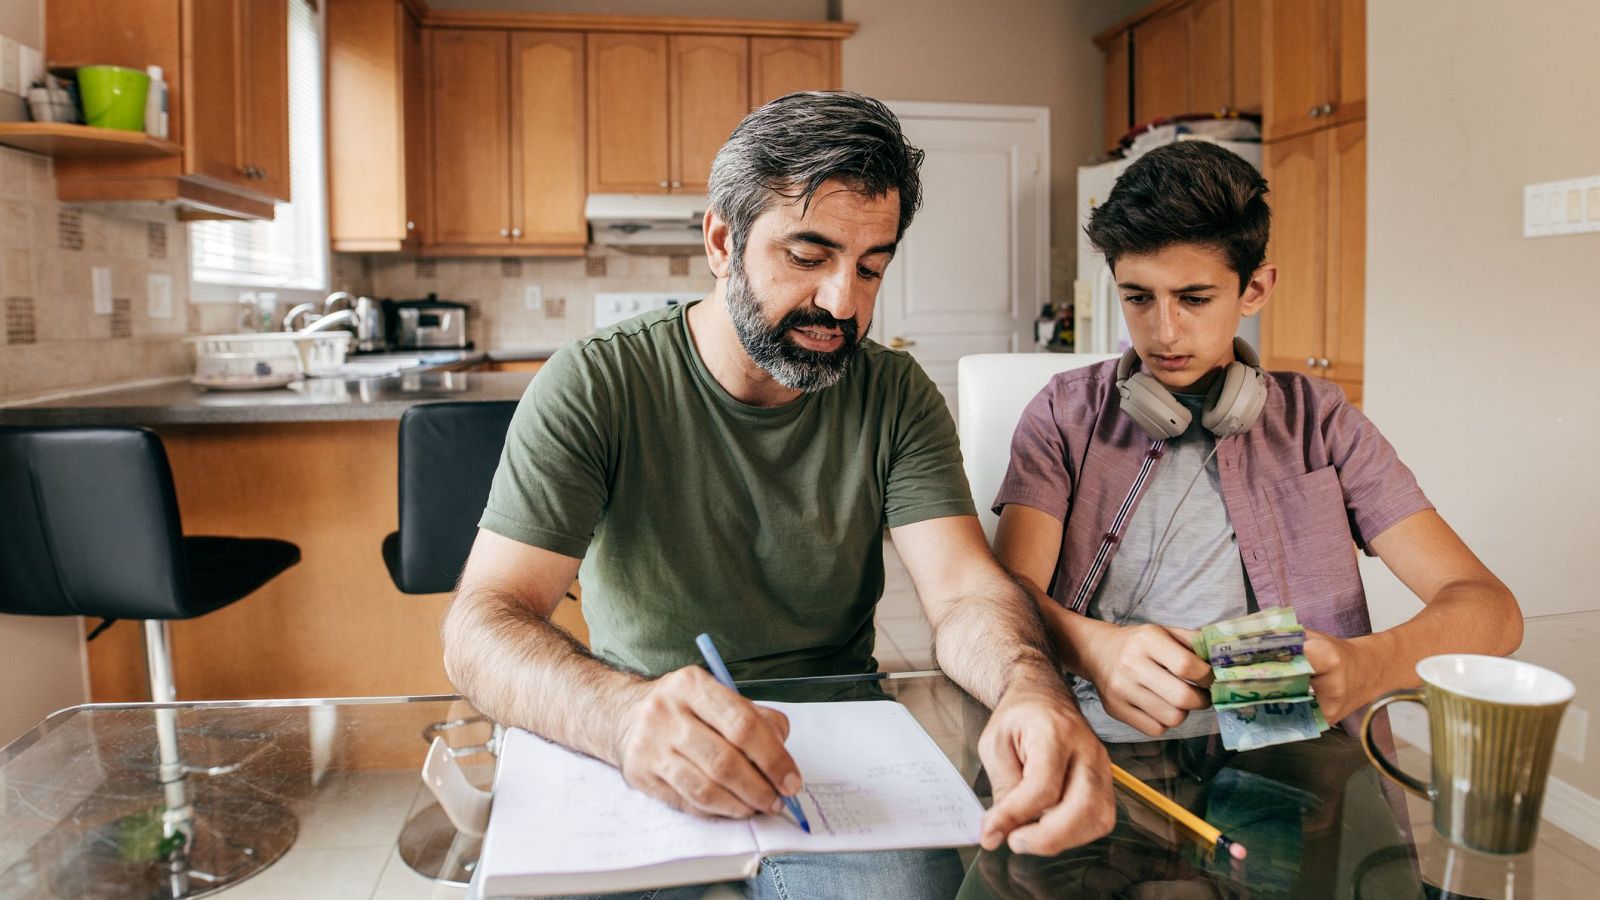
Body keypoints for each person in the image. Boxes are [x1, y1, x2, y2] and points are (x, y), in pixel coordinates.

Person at [442, 91, 1114, 899]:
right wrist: (621, 718)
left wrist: (1028, 689)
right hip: (641, 732)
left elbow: (968, 593)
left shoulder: (894, 394)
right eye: (809, 255)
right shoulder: (597, 382)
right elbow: (482, 623)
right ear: (723, 242)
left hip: (842, 756)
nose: (843, 303)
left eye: (872, 267)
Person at [991, 140, 1522, 748]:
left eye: (1195, 299)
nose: (1163, 332)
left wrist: (1366, 666)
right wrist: (1092, 650)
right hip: (1099, 747)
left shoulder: (1320, 421)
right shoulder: (1063, 412)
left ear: (1255, 289)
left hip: (1292, 761)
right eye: (1138, 297)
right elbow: (1005, 602)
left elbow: (1492, 610)